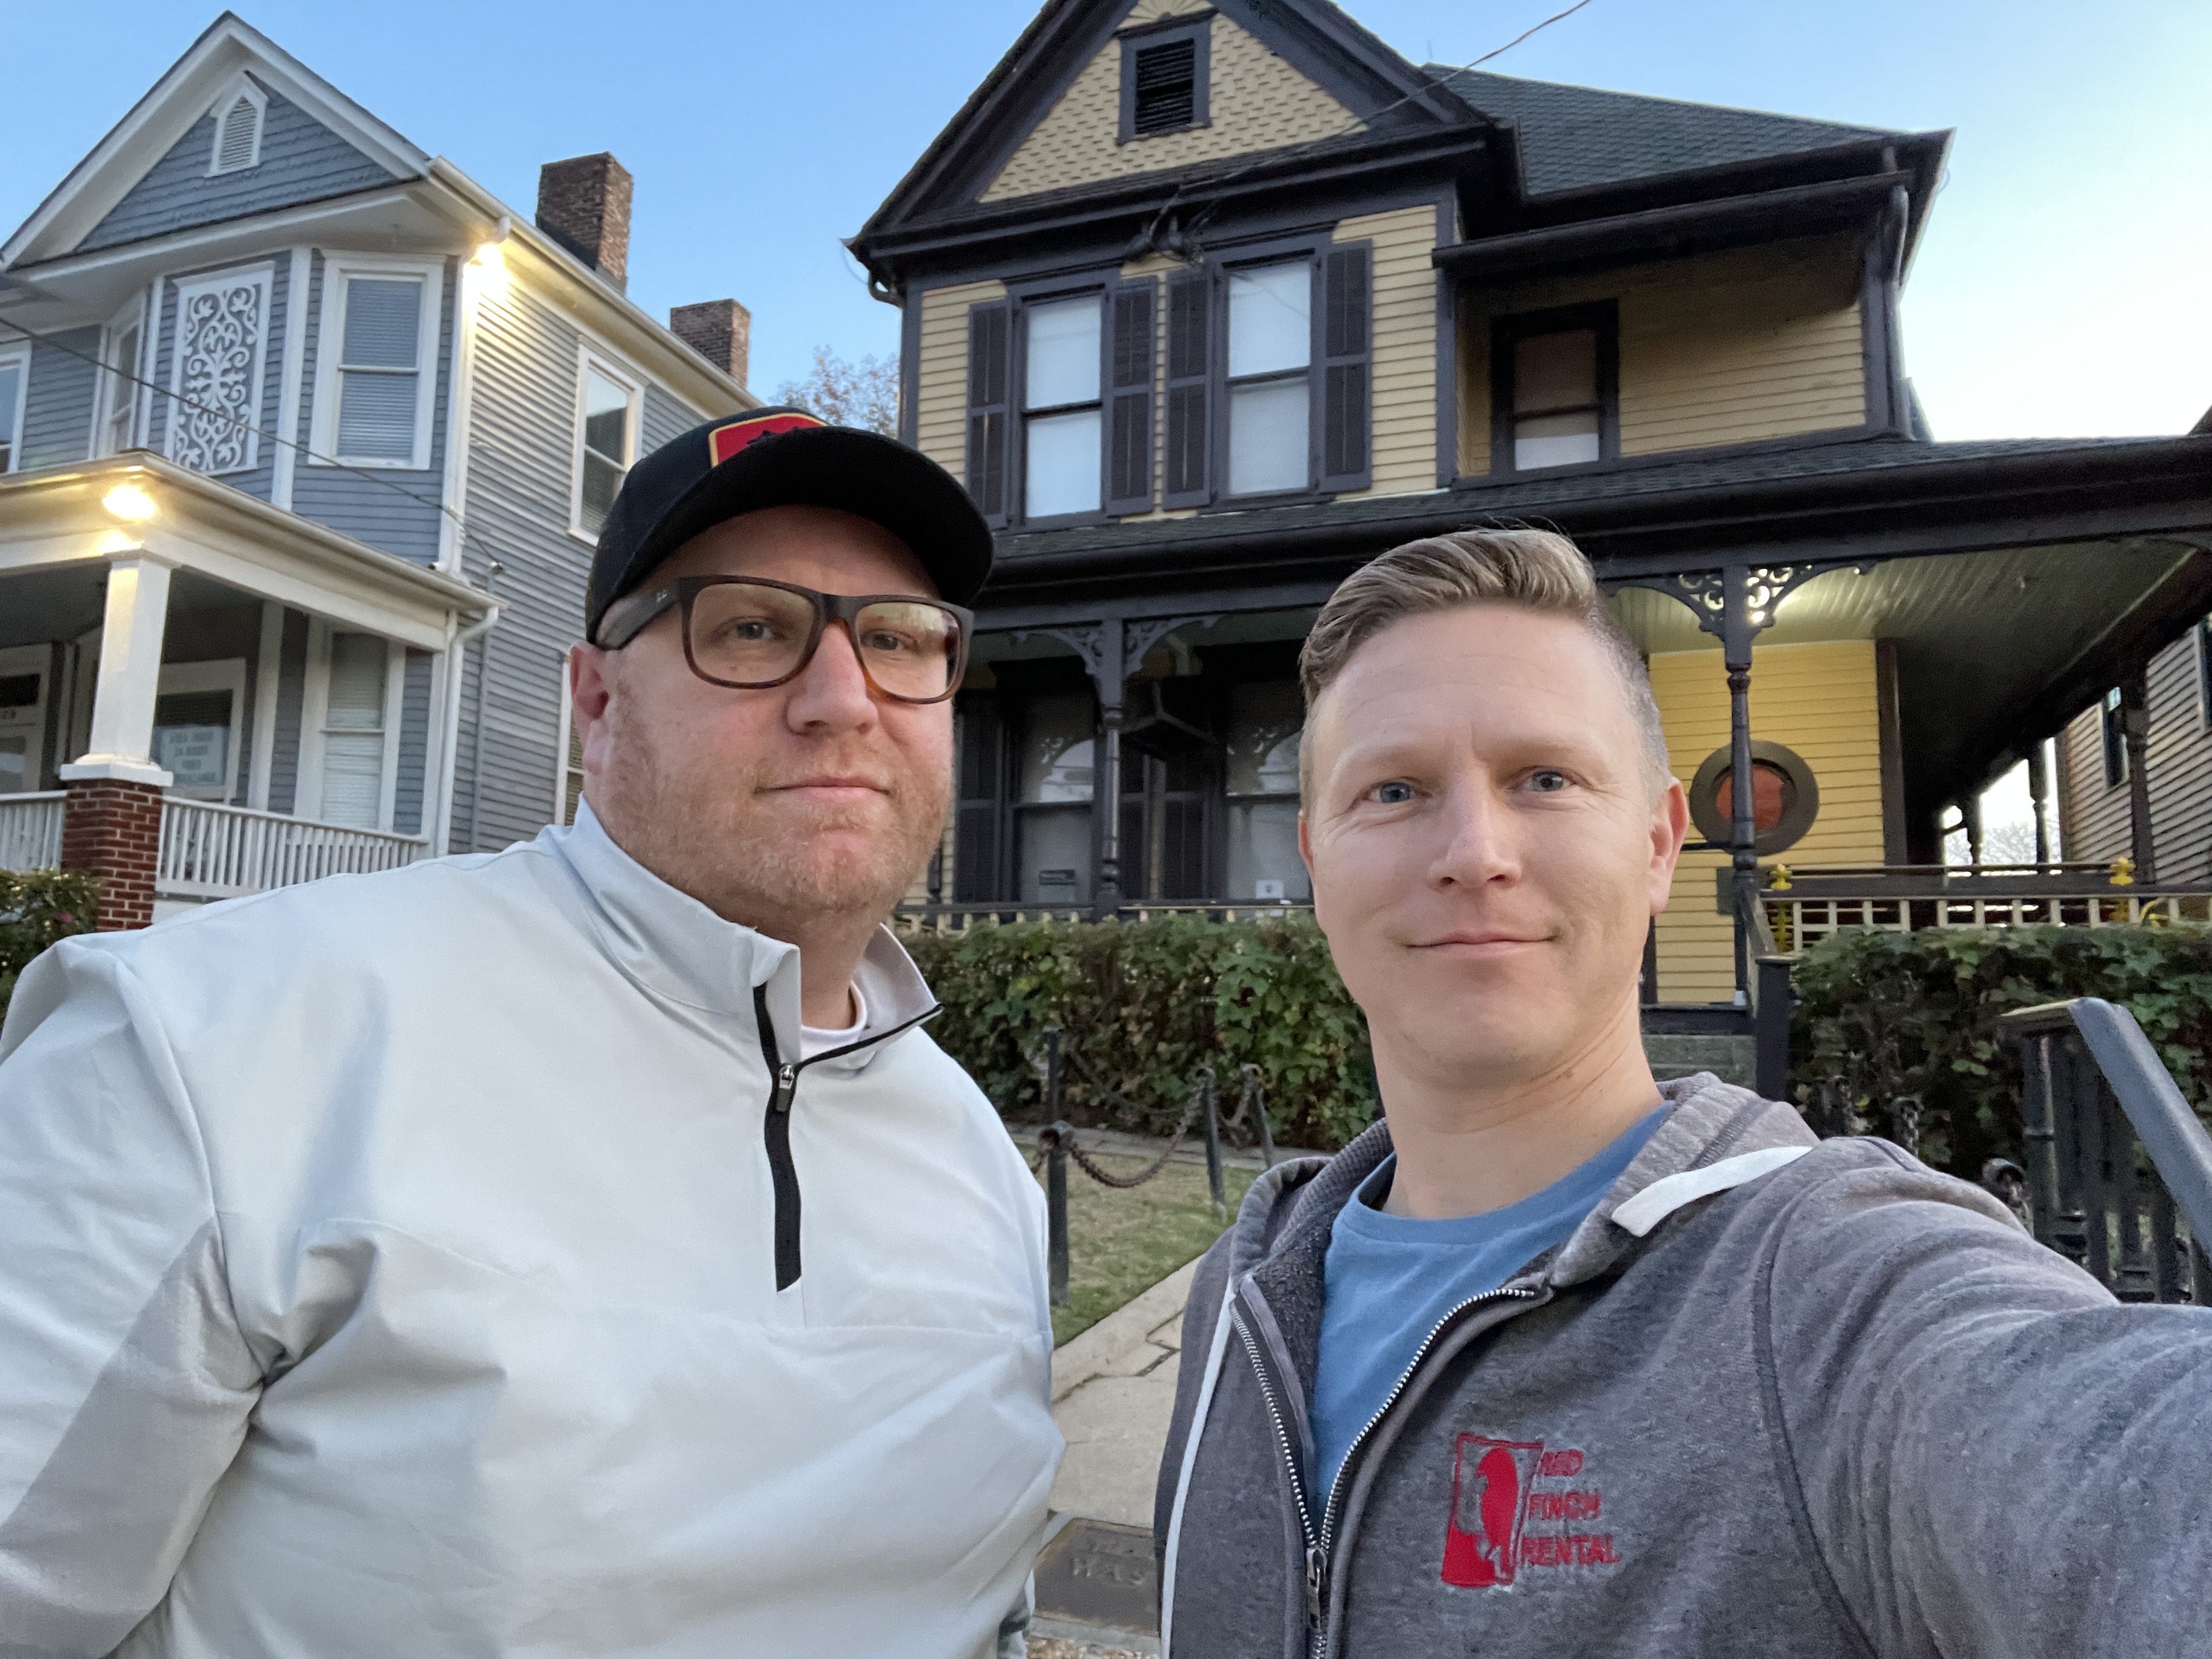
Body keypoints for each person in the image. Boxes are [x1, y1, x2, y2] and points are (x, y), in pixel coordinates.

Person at [0, 408, 1058, 1659]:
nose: (843, 699)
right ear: (595, 702)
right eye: (752, 629)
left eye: (899, 640)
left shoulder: (974, 1158)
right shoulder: (208, 1047)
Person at [1153, 528, 2212, 1657]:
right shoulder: (1249, 1288)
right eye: (1395, 789)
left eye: (1545, 779)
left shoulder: (1823, 1291)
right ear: (1318, 867)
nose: (1474, 850)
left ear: (1659, 845)